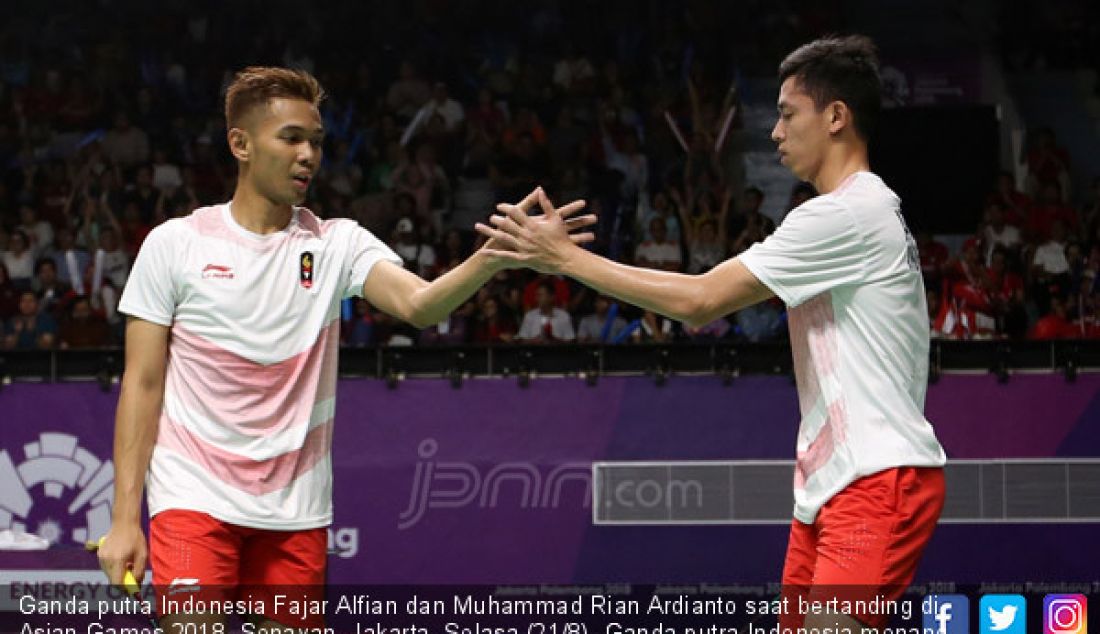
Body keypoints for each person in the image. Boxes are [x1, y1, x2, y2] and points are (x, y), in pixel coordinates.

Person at [96, 66, 593, 632]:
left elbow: (419, 306)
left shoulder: (338, 244)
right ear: (240, 144)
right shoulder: (175, 245)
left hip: (296, 508)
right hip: (192, 493)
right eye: (291, 138)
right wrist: (123, 519)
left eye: (317, 141)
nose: (309, 154)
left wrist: (491, 258)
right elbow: (142, 384)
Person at [479, 36, 946, 633]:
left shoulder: (845, 214)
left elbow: (700, 300)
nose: (775, 133)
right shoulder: (861, 209)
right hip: (833, 486)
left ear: (835, 117)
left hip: (876, 477)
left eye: (786, 113)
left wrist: (565, 259)